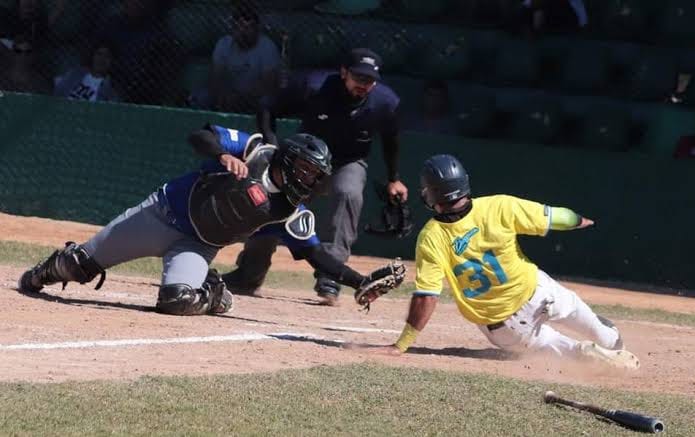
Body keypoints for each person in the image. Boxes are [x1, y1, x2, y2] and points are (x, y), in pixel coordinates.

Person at [17, 126, 405, 315]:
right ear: (289, 159)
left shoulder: (290, 211)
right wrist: (222, 154)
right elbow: (199, 135)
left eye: (316, 174)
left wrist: (359, 281)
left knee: (177, 302)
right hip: (162, 212)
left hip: (198, 243)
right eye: (306, 169)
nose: (311, 179)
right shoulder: (255, 151)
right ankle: (41, 273)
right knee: (78, 265)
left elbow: (318, 255)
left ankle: (213, 292)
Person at [356, 154, 640, 370]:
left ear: (430, 194)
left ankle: (582, 352)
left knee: (560, 349)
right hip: (539, 292)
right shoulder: (498, 205)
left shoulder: (430, 236)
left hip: (505, 326)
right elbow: (558, 217)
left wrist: (401, 345)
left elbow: (427, 297)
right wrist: (580, 221)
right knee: (599, 328)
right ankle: (610, 342)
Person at [222, 47, 409, 306]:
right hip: (305, 161)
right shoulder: (314, 86)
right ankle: (248, 275)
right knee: (273, 207)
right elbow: (267, 106)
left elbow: (391, 140)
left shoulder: (385, 102)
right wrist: (271, 145)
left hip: (348, 161)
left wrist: (393, 178)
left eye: (370, 80)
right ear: (343, 72)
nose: (364, 85)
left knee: (348, 193)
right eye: (359, 77)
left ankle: (329, 278)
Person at [189, 3, 280, 114]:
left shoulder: (267, 46)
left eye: (247, 28)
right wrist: (224, 94)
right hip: (228, 95)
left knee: (266, 101)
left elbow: (268, 83)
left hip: (255, 96)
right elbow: (216, 76)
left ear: (256, 28)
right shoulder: (223, 44)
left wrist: (242, 98)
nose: (242, 32)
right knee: (200, 97)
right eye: (238, 27)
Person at [53, 41, 120, 102]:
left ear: (111, 61)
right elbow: (59, 90)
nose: (102, 59)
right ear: (92, 56)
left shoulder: (111, 89)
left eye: (107, 56)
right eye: (99, 54)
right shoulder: (76, 73)